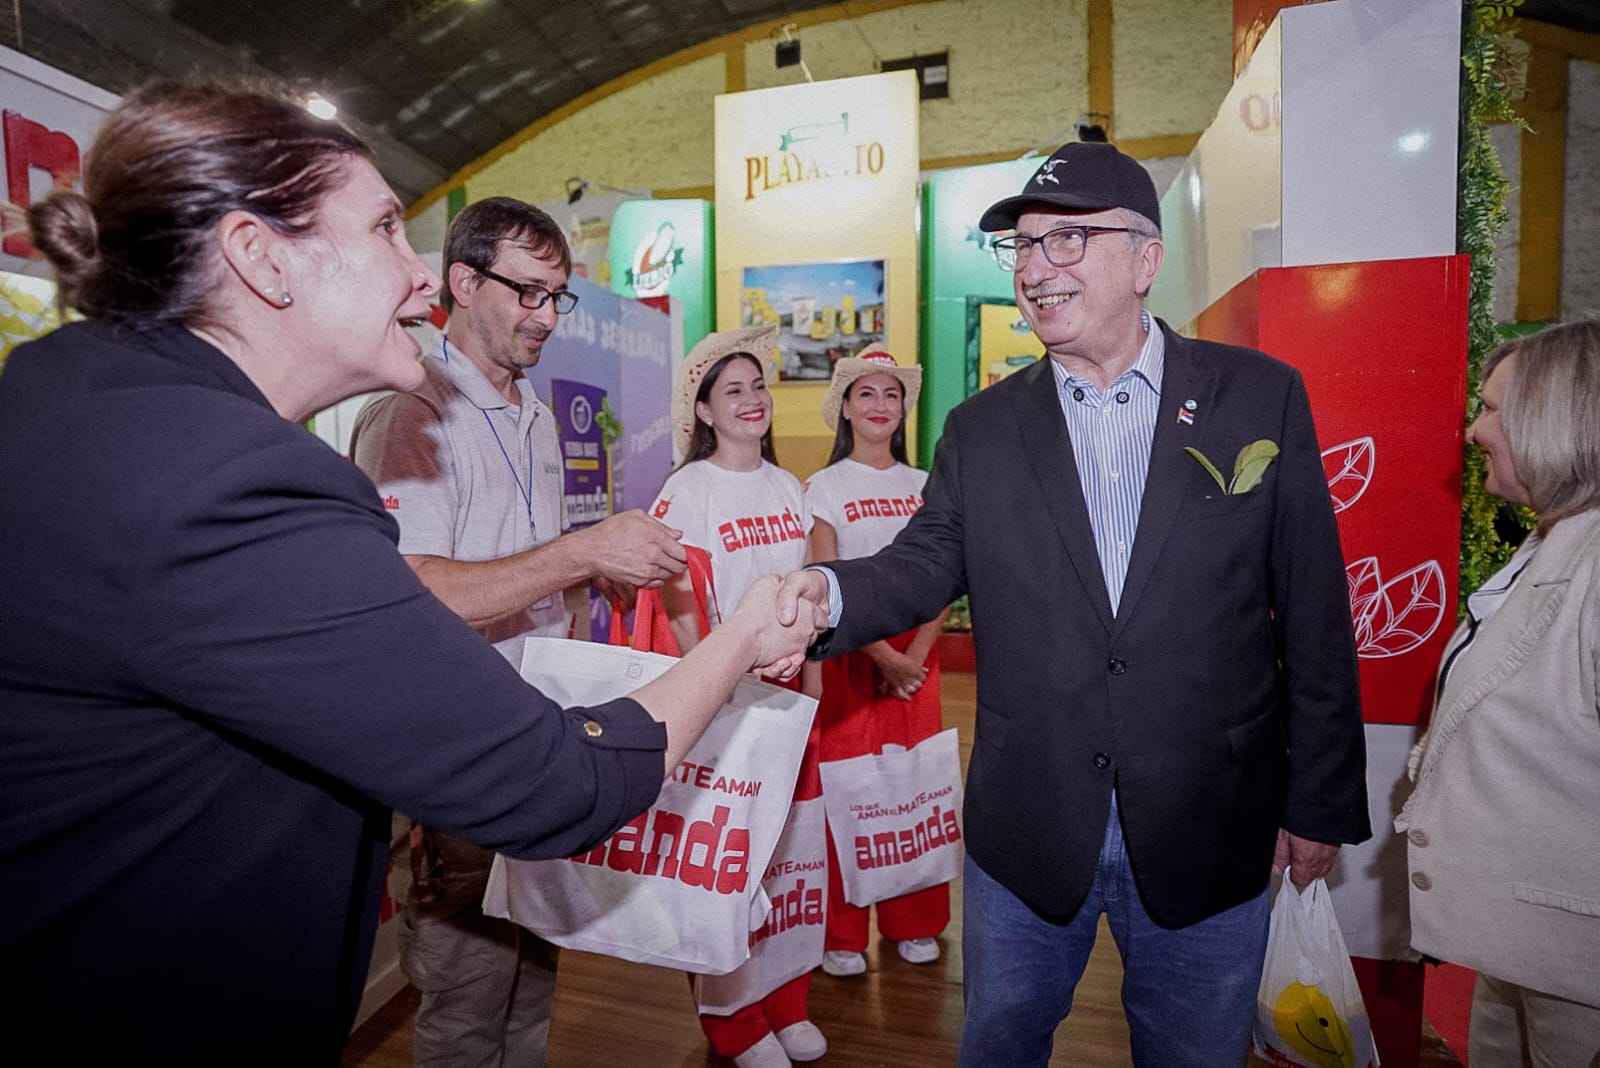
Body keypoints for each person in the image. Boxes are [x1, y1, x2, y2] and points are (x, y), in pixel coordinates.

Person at [0, 81, 822, 1066]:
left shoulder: (76, 400)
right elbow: (554, 782)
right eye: (389, 228)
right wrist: (741, 638)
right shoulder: (230, 479)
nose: (416, 276)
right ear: (259, 257)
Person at [777, 141, 1371, 1067]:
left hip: (1210, 818)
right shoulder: (982, 427)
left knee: (1194, 1051)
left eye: (1066, 241)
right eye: (1022, 247)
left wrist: (1321, 798)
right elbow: (923, 563)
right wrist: (821, 595)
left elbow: (1313, 613)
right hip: (1028, 823)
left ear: (1145, 259)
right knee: (1000, 1042)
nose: (1034, 269)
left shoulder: (1256, 397)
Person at [349, 196, 687, 1068]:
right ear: (462, 282)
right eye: (527, 293)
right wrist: (577, 552)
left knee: (534, 976)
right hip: (457, 754)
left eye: (556, 297)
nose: (545, 316)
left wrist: (587, 568)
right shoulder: (413, 412)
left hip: (538, 737)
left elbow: (515, 564)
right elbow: (410, 591)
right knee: (465, 1005)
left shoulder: (532, 411)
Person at [1397, 321, 1600, 1068]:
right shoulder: (1548, 542)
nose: (1474, 430)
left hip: (1579, 961)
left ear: (1558, 423)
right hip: (1525, 943)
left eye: (1491, 411)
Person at [649, 325, 826, 1068]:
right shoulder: (685, 491)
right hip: (722, 711)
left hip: (792, 710)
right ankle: (735, 1022)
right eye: (734, 392)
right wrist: (713, 689)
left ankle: (787, 1001)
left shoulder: (791, 488)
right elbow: (676, 600)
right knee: (726, 870)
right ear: (706, 413)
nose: (752, 402)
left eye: (759, 387)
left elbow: (810, 606)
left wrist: (810, 685)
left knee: (788, 862)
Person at [802, 348, 951, 977]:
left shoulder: (926, 486)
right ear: (845, 406)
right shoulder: (823, 487)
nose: (880, 406)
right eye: (867, 394)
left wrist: (912, 656)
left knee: (917, 789)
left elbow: (947, 574)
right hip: (851, 657)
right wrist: (884, 656)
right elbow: (827, 576)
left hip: (918, 658)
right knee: (849, 793)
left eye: (891, 395)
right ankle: (842, 931)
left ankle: (914, 921)